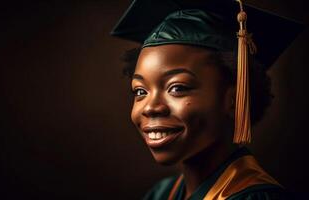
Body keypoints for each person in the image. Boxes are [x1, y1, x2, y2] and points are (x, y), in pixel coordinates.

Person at [111, 0, 304, 199]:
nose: (150, 107)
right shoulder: (161, 194)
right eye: (140, 91)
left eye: (177, 88)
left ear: (234, 99)